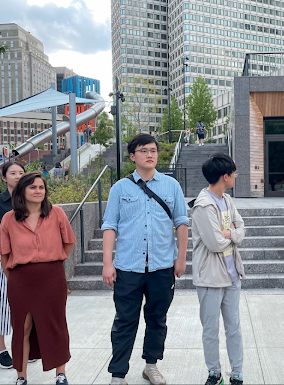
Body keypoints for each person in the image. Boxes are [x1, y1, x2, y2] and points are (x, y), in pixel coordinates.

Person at [101, 133, 189, 385]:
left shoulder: (171, 186)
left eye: (153, 150)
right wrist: (108, 263)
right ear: (132, 156)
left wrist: (181, 257)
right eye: (143, 150)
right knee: (124, 321)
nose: (150, 154)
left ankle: (151, 366)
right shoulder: (120, 188)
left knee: (157, 318)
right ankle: (118, 374)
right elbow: (110, 226)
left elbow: (181, 223)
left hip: (162, 265)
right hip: (128, 267)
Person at [0, 172, 77, 385]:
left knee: (56, 324)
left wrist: (51, 262)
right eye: (33, 187)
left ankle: (61, 373)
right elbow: (4, 253)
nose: (38, 191)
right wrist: (15, 276)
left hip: (52, 278)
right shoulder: (8, 219)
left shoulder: (57, 214)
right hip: (21, 280)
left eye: (41, 187)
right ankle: (21, 376)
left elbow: (68, 243)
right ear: (22, 190)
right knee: (22, 327)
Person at [191, 153, 245, 385]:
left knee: (234, 328)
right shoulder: (203, 205)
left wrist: (231, 233)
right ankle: (215, 372)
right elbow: (214, 243)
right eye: (234, 173)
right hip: (211, 277)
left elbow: (242, 227)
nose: (235, 176)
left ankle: (237, 373)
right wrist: (232, 235)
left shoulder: (227, 199)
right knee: (211, 330)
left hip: (233, 275)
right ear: (225, 176)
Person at [0, 161, 25, 370]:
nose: (17, 176)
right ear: (4, 177)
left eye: (21, 172)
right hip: (2, 257)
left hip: (27, 258)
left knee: (28, 305)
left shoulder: (33, 199)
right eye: (12, 173)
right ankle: (1, 349)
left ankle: (27, 347)